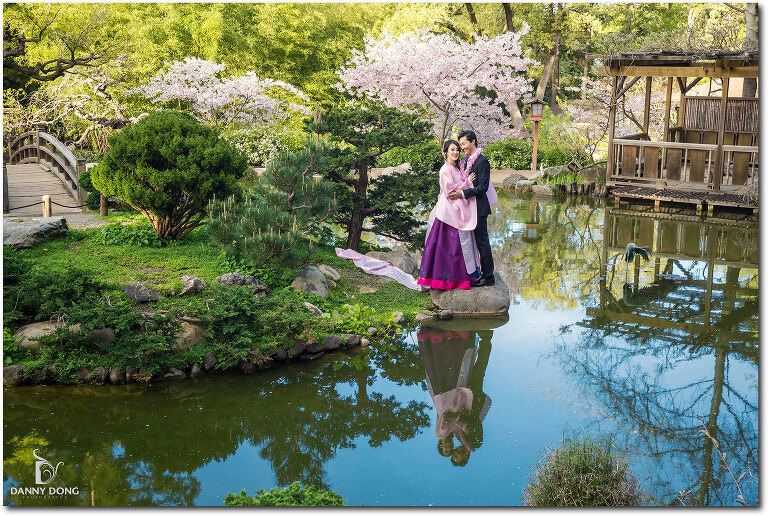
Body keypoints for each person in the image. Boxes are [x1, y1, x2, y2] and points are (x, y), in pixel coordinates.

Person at [417, 139, 481, 290]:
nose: (456, 152)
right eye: (452, 149)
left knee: (460, 246)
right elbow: (450, 192)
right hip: (448, 213)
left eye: (457, 149)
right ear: (445, 152)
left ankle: (461, 277)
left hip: (458, 210)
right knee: (446, 247)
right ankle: (445, 279)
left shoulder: (457, 168)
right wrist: (467, 183)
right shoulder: (445, 169)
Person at [447, 130, 497, 287]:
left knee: (482, 242)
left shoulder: (482, 161)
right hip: (469, 207)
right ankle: (477, 272)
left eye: (464, 144)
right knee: (474, 242)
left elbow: (483, 187)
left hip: (479, 208)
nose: (462, 147)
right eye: (460, 144)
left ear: (473, 141)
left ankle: (488, 277)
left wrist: (462, 193)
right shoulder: (465, 161)